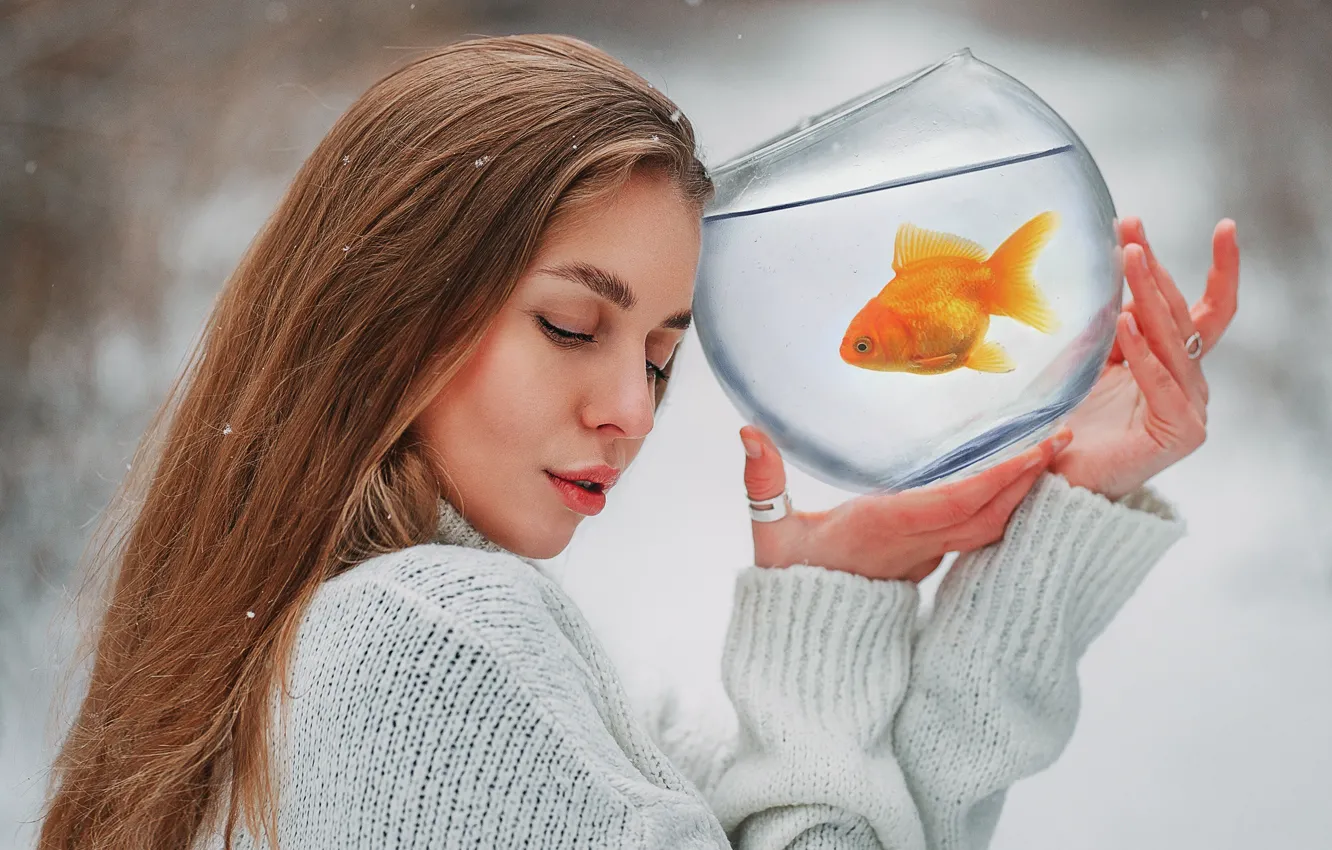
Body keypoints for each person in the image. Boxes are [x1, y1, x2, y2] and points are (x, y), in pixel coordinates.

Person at [38, 34, 1240, 850]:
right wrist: (822, 642)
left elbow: (841, 820)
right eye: (573, 325)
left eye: (664, 355)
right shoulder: (423, 644)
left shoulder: (315, 643)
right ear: (393, 304)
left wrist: (898, 586)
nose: (634, 411)